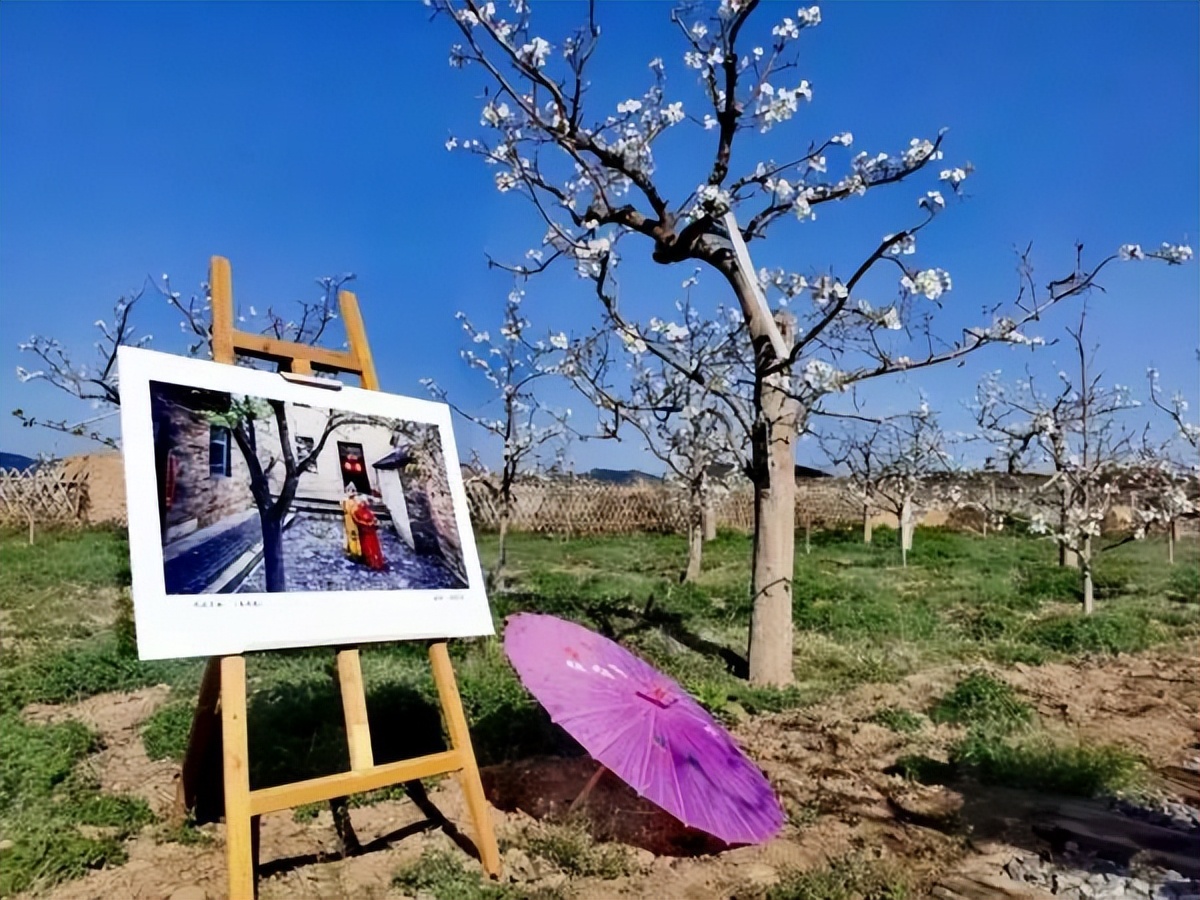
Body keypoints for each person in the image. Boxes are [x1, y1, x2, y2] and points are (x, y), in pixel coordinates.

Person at [351, 493, 386, 571]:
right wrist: (367, 524)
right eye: (363, 502)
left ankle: (377, 562)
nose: (365, 503)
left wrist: (375, 522)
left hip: (372, 533)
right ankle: (369, 562)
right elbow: (357, 521)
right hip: (365, 533)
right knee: (368, 548)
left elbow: (373, 517)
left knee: (375, 548)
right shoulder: (356, 511)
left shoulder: (368, 510)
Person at [342, 486, 362, 561]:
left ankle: (355, 552)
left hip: (352, 519)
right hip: (350, 519)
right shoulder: (353, 502)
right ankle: (355, 551)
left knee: (353, 535)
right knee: (353, 535)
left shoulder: (349, 502)